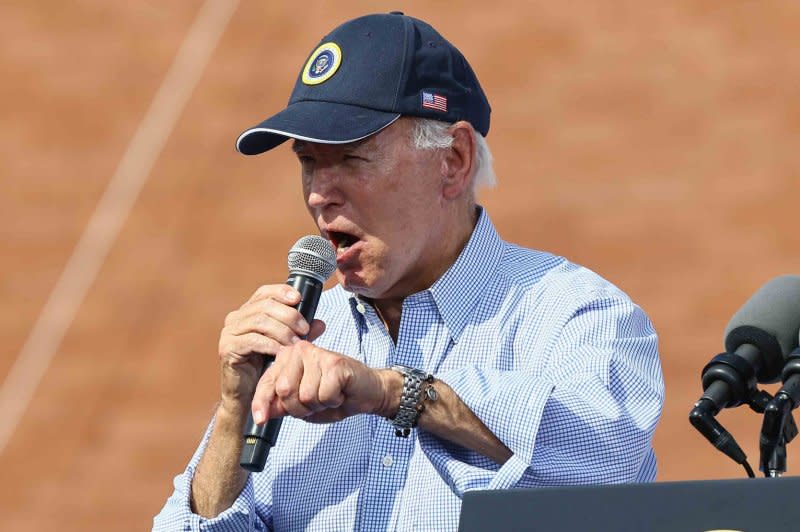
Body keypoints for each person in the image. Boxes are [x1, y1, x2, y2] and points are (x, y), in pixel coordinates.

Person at [154, 11, 664, 532]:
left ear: (453, 160)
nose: (317, 194)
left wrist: (392, 393)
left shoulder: (575, 315)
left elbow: (609, 462)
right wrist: (233, 413)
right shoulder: (294, 342)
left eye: (351, 159)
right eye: (308, 161)